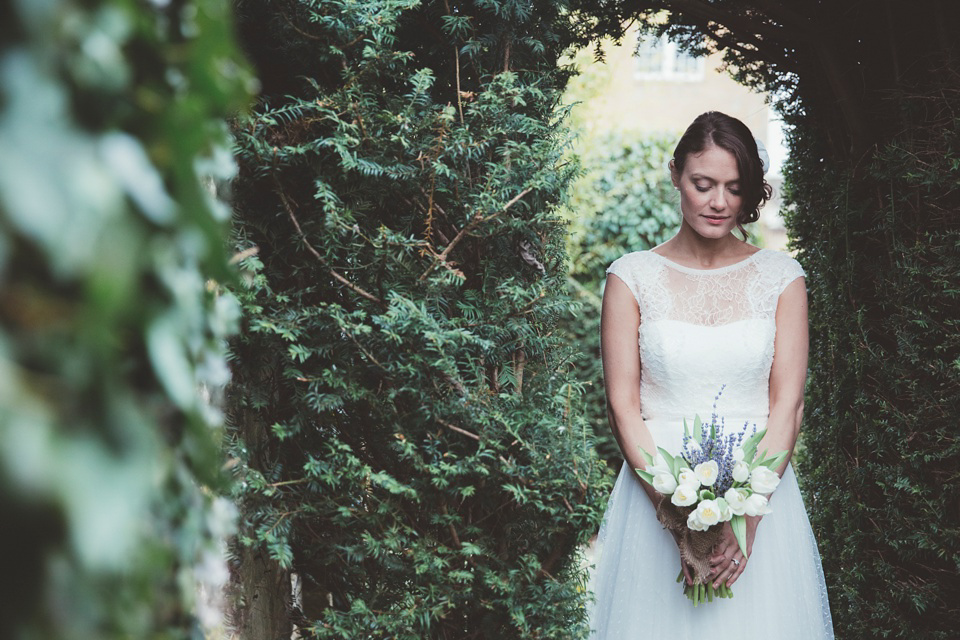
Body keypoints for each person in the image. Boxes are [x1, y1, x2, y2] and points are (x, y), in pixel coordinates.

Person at [589, 111, 834, 638]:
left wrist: (745, 520)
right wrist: (676, 515)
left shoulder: (781, 277)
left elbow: (787, 406)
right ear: (676, 173)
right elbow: (623, 407)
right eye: (703, 184)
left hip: (760, 493)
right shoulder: (630, 278)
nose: (719, 202)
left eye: (734, 188)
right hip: (657, 492)